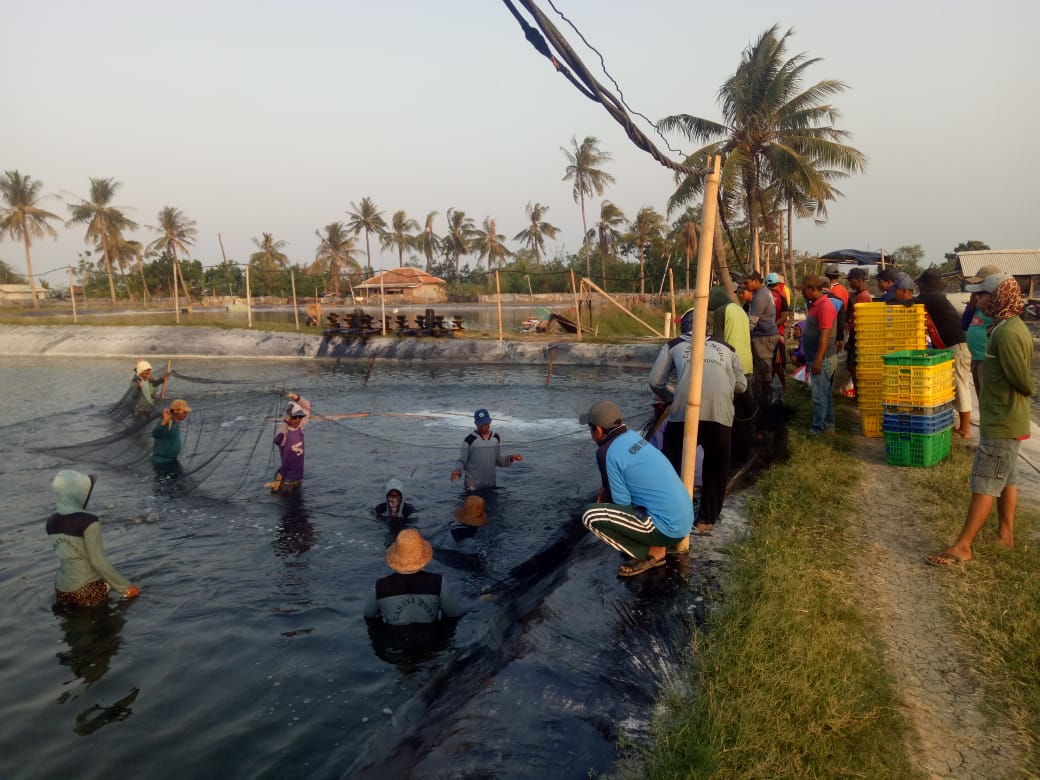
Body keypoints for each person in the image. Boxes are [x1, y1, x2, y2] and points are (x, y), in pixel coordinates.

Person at [928, 274, 1035, 565]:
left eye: (983, 295)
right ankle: (1005, 535)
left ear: (999, 297)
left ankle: (963, 545)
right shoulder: (1004, 327)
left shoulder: (1008, 333)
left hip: (1003, 419)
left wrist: (1016, 395)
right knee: (1007, 477)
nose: (978, 300)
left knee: (985, 481)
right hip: (1003, 417)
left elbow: (1021, 380)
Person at [580, 400, 694, 577]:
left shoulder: (606, 452)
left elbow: (622, 504)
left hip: (667, 529)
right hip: (683, 520)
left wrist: (603, 501)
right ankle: (656, 545)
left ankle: (652, 553)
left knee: (591, 515)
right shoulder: (633, 437)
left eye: (590, 429)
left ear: (599, 430)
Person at [46, 470, 141, 608]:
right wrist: (125, 587)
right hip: (86, 590)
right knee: (112, 626)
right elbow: (97, 561)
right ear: (76, 493)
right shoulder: (89, 521)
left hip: (61, 590)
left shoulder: (51, 521)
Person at [915, 268, 972, 438]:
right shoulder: (937, 297)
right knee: (954, 385)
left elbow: (910, 302)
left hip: (957, 347)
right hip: (952, 346)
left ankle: (966, 429)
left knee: (960, 385)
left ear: (925, 286)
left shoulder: (932, 297)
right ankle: (961, 425)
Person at [364, 529, 462, 624]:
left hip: (394, 638)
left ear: (396, 558)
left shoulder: (380, 586)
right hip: (430, 637)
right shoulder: (438, 582)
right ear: (423, 558)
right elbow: (453, 614)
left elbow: (369, 616)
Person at [799, 276, 838, 434]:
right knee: (825, 394)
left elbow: (825, 335)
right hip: (817, 357)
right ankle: (828, 425)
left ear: (811, 289)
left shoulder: (825, 307)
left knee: (819, 396)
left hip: (822, 358)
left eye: (803, 290)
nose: (802, 293)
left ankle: (817, 428)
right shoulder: (815, 305)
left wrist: (818, 360)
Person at [450, 409, 522, 490]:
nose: (483, 427)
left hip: (490, 485)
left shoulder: (495, 438)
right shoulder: (469, 440)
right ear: (475, 423)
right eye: (480, 425)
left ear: (490, 422)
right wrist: (458, 471)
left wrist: (511, 458)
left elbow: (498, 460)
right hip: (472, 487)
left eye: (485, 424)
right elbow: (462, 461)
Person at [960, 264, 1001, 398]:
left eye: (980, 284)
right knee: (981, 399)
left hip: (987, 359)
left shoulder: (999, 305)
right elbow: (964, 325)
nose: (977, 289)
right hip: (976, 358)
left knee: (989, 400)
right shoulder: (978, 304)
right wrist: (972, 304)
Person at [744, 272, 780, 410]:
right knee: (763, 369)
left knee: (765, 370)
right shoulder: (765, 292)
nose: (746, 286)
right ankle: (764, 399)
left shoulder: (760, 296)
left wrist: (743, 336)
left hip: (763, 336)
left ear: (754, 281)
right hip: (766, 334)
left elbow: (752, 322)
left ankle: (767, 401)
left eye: (747, 283)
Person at [270, 394, 311, 492]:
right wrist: (286, 423)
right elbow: (277, 441)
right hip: (286, 482)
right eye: (294, 417)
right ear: (289, 418)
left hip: (297, 479)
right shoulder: (284, 433)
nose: (297, 419)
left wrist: (295, 396)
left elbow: (307, 406)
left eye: (300, 416)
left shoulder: (300, 426)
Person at [845, 267, 874, 388]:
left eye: (850, 281)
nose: (850, 283)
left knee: (852, 366)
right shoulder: (862, 295)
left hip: (859, 336)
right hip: (859, 335)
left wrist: (851, 341)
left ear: (857, 280)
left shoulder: (862, 296)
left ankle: (858, 395)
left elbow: (858, 321)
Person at [152, 399, 192, 465]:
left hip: (171, 460)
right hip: (162, 461)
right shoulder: (167, 422)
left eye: (186, 412)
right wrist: (164, 421)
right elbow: (155, 434)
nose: (186, 414)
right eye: (184, 412)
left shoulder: (175, 423)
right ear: (176, 411)